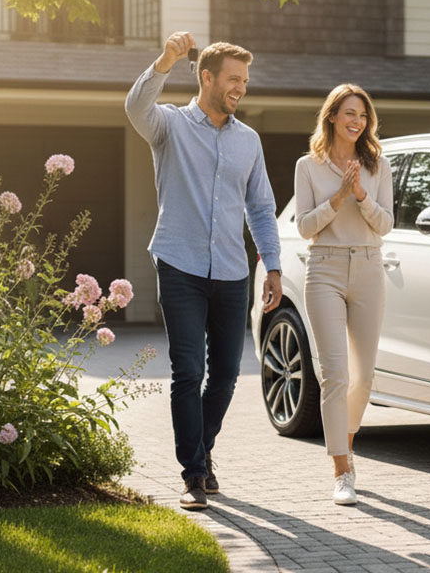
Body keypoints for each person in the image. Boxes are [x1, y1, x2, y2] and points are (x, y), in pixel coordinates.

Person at [125, 32, 282, 510]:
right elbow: (135, 108)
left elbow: (260, 206)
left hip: (233, 270)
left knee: (229, 374)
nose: (241, 88)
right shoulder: (170, 126)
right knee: (188, 371)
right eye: (234, 79)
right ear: (207, 78)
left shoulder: (248, 141)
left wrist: (272, 267)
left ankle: (201, 448)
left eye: (246, 81)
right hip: (180, 264)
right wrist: (165, 60)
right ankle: (194, 473)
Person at [295, 84, 393, 505]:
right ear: (332, 116)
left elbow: (385, 224)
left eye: (363, 115)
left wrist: (360, 195)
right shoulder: (308, 166)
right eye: (349, 113)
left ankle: (346, 446)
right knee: (335, 374)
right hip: (325, 269)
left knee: (364, 375)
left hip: (370, 267)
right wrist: (337, 198)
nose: (357, 121)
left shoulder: (378, 166)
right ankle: (341, 470)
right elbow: (303, 227)